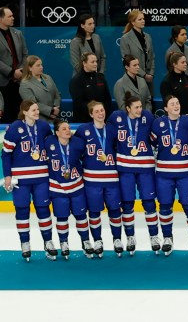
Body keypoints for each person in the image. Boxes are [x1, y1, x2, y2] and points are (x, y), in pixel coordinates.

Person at [2, 101, 55, 261]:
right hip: (21, 179)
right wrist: (7, 176)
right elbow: (6, 154)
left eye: (38, 109)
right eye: (33, 110)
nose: (37, 112)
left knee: (43, 209)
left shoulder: (44, 126)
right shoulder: (14, 128)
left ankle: (48, 242)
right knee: (22, 210)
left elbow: (52, 146)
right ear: (24, 112)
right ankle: (25, 243)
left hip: (41, 177)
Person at [108, 94, 158, 255]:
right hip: (125, 168)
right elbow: (109, 137)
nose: (140, 109)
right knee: (127, 204)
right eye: (136, 107)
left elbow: (157, 137)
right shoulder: (117, 117)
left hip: (145, 167)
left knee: (149, 202)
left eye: (141, 106)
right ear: (128, 108)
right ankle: (130, 237)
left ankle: (154, 237)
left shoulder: (148, 117)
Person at [152, 93, 188, 256]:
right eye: (172, 103)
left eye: (177, 102)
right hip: (164, 174)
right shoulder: (158, 124)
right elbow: (151, 142)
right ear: (165, 108)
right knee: (165, 206)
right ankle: (167, 238)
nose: (176, 105)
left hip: (186, 173)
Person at [76, 100, 122, 258]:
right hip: (92, 180)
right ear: (91, 114)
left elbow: (119, 150)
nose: (101, 113)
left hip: (111, 179)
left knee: (115, 210)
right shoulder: (83, 130)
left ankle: (117, 239)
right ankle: (97, 240)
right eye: (97, 111)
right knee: (94, 212)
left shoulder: (112, 129)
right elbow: (76, 150)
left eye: (102, 110)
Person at [0, 6, 28, 124]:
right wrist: (12, 72)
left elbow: (25, 54)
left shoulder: (17, 33)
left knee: (19, 115)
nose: (13, 18)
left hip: (19, 82)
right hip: (2, 83)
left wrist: (21, 70)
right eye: (10, 16)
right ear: (0, 19)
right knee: (6, 116)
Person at [69, 54, 111, 122]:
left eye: (96, 61)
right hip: (84, 121)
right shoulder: (76, 80)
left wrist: (101, 111)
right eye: (92, 62)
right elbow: (78, 103)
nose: (95, 64)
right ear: (84, 63)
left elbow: (107, 98)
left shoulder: (101, 77)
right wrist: (94, 111)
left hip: (102, 119)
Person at [18, 56, 61, 123]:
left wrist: (56, 108)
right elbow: (32, 104)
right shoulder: (25, 84)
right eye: (38, 65)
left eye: (41, 65)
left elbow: (57, 95)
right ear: (30, 68)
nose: (41, 67)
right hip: (38, 120)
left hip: (54, 119)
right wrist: (51, 111)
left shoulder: (48, 78)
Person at [119, 10, 155, 87]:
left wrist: (151, 74)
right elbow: (128, 61)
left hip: (149, 79)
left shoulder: (147, 37)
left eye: (143, 19)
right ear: (133, 22)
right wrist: (144, 75)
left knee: (149, 98)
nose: (143, 21)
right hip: (134, 78)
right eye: (140, 19)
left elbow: (152, 57)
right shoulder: (125, 38)